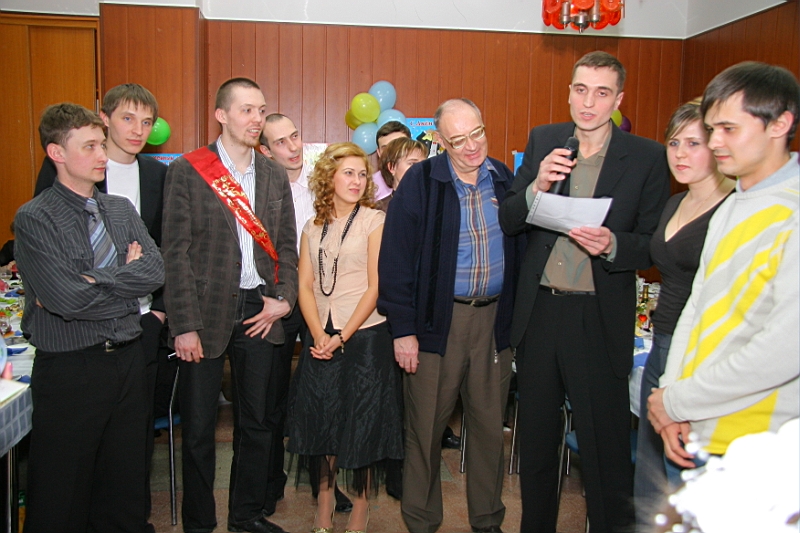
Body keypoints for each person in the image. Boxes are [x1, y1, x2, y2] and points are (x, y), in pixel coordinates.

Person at [498, 51, 670, 533]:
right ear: (569, 92)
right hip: (540, 313)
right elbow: (509, 218)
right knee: (536, 444)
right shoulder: (545, 140)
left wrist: (613, 243)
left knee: (605, 450)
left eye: (601, 92)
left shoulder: (647, 156)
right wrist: (536, 186)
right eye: (580, 90)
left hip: (598, 316)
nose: (588, 102)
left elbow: (652, 244)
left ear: (618, 99)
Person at [15, 102, 164, 533]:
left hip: (128, 362)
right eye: (90, 146)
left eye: (102, 144)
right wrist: (125, 282)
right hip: (71, 368)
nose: (102, 155)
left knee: (124, 489)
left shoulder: (120, 209)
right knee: (62, 493)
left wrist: (96, 279)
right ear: (57, 153)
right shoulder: (35, 218)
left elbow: (155, 272)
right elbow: (66, 299)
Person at [648, 62, 799, 481]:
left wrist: (677, 401)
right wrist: (671, 393)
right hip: (698, 423)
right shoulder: (734, 204)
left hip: (757, 441)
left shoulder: (791, 212)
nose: (715, 143)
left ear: (780, 124)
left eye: (728, 129)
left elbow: (784, 349)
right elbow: (697, 306)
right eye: (712, 129)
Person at [161, 77, 298, 533]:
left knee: (257, 422)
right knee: (200, 428)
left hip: (260, 308)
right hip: (204, 312)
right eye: (246, 110)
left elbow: (287, 245)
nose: (257, 119)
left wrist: (284, 298)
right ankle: (199, 522)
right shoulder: (189, 170)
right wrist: (183, 324)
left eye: (261, 110)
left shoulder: (273, 173)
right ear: (221, 115)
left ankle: (246, 516)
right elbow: (175, 254)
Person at [379, 98, 519, 533]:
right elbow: (395, 262)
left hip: (493, 323)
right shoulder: (421, 182)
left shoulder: (504, 179)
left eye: (477, 133)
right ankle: (422, 521)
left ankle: (487, 519)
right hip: (435, 325)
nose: (472, 146)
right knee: (425, 429)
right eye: (458, 140)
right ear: (440, 141)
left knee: (489, 430)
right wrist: (403, 331)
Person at [286, 142, 403, 533]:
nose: (356, 181)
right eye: (348, 173)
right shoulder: (312, 225)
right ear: (328, 177)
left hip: (365, 337)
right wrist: (319, 334)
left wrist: (341, 337)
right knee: (323, 420)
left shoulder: (373, 220)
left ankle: (360, 506)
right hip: (321, 335)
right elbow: (304, 284)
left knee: (362, 421)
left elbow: (375, 286)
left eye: (362, 174)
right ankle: (324, 501)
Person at [633, 100, 735, 532]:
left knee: (685, 471)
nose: (680, 153)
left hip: (701, 352)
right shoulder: (674, 203)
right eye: (674, 143)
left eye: (693, 143)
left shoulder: (733, 208)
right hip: (663, 342)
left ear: (718, 146)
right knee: (650, 471)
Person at [259, 113, 353, 515]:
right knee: (272, 397)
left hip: (323, 301)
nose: (293, 146)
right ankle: (269, 482)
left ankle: (326, 485)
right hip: (280, 301)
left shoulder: (323, 183)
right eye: (281, 142)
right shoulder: (260, 189)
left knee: (324, 396)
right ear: (265, 151)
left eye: (295, 136)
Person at [375, 137, 427, 212]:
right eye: (412, 163)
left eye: (424, 164)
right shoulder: (379, 210)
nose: (421, 169)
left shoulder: (433, 204)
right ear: (392, 167)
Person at [372, 121, 411, 210]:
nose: (392, 152)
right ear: (379, 153)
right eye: (386, 148)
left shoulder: (426, 181)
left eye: (399, 146)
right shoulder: (368, 186)